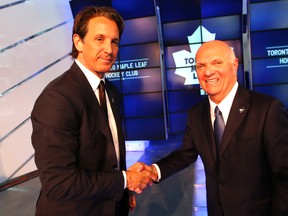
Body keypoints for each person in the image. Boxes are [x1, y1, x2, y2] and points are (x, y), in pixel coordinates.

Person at [139, 40, 288, 215]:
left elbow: (283, 174)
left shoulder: (267, 109)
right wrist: (153, 171)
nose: (208, 72)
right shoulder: (196, 114)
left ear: (234, 65)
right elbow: (186, 154)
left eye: (217, 62)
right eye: (201, 66)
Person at [31, 6, 155, 216]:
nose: (109, 49)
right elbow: (60, 182)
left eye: (114, 41)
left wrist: (123, 191)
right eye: (100, 39)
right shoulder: (57, 98)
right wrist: (126, 179)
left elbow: (110, 154)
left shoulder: (111, 91)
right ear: (78, 42)